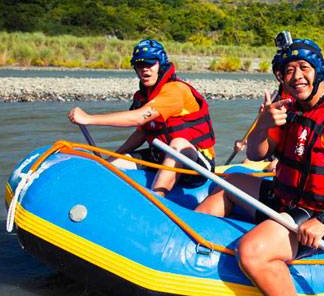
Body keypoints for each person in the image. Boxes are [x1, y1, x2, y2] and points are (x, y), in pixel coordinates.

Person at [196, 36, 324, 296]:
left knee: (252, 251)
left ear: (318, 70)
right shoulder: (289, 110)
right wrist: (264, 125)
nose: (296, 77)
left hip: (321, 213)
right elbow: (257, 154)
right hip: (286, 197)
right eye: (289, 70)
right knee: (230, 184)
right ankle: (191, 242)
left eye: (303, 67)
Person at [68, 39, 216, 196]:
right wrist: (110, 160)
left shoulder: (175, 90)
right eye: (139, 65)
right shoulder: (144, 96)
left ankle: (156, 202)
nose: (145, 69)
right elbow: (142, 133)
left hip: (197, 165)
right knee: (116, 163)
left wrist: (89, 119)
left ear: (161, 64)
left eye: (150, 63)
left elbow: (139, 117)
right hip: (161, 157)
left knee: (178, 143)